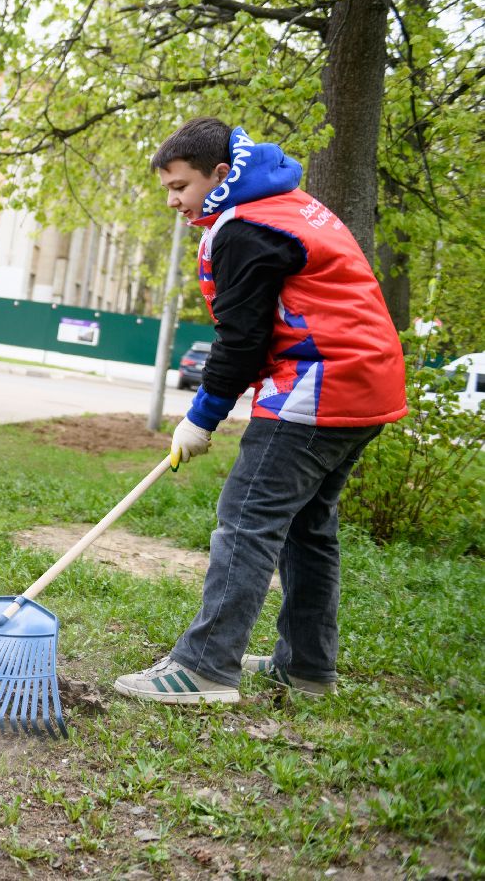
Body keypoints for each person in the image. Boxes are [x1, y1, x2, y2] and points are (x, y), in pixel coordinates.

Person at [114, 118, 406, 705]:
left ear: (220, 175)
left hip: (319, 389)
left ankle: (205, 669)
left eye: (180, 186)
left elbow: (242, 342)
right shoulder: (287, 204)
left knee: (247, 519)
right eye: (167, 188)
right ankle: (305, 667)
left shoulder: (246, 228)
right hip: (368, 386)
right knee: (308, 527)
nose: (173, 201)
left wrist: (202, 417)